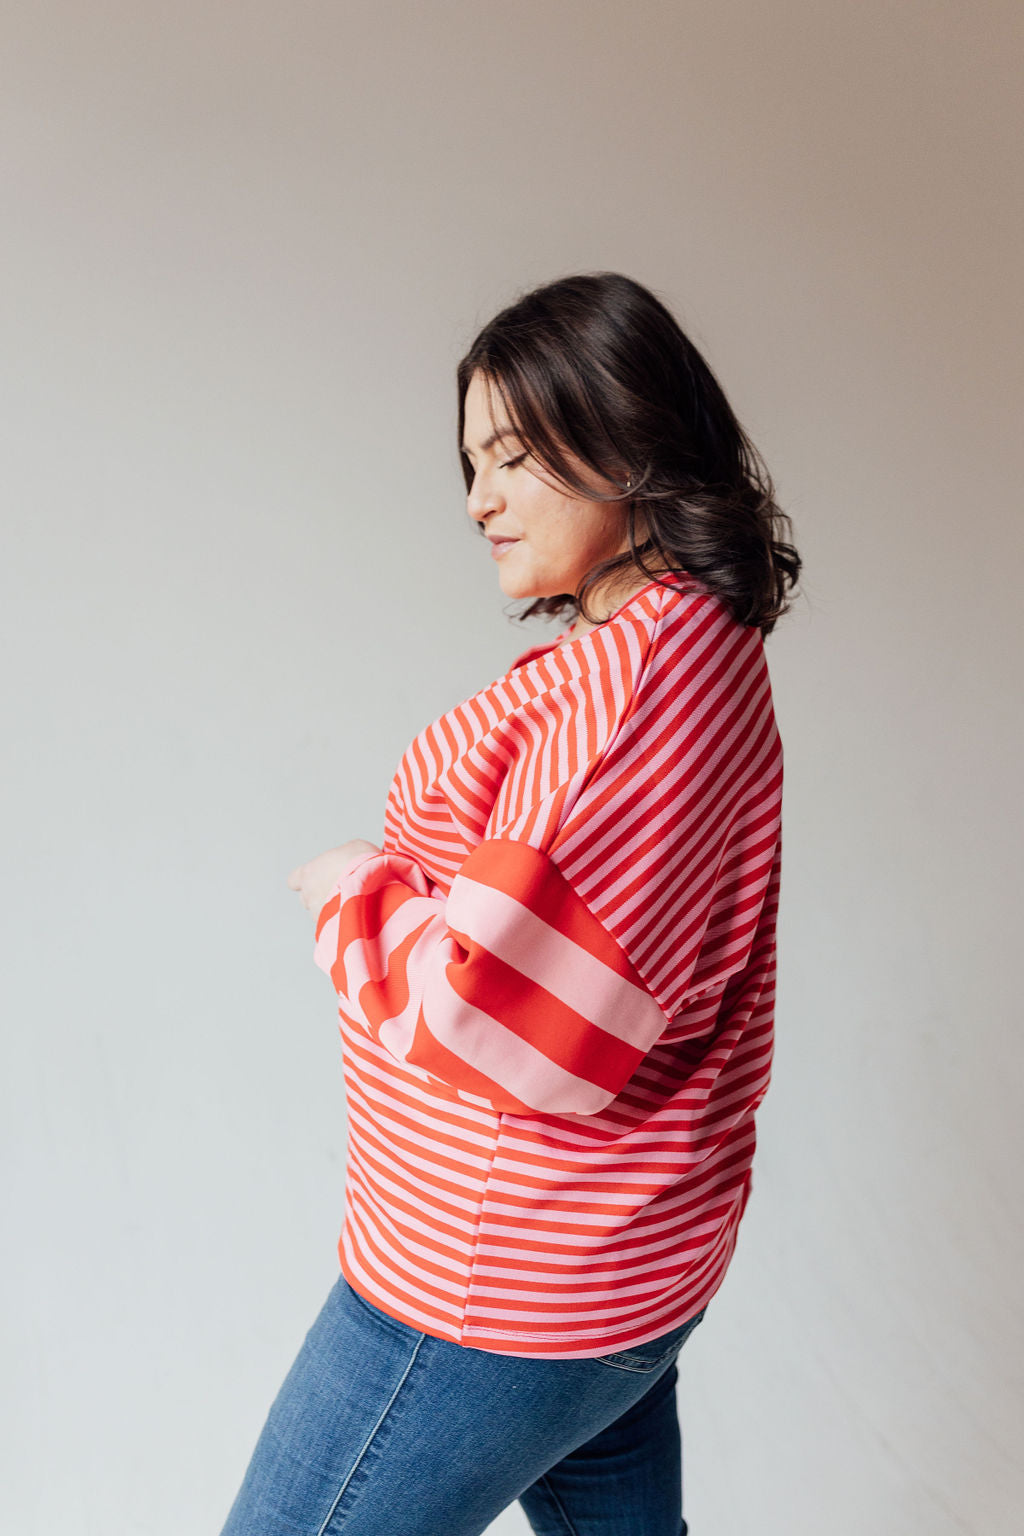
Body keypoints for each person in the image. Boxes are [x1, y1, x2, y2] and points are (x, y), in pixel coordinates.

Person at [218, 271, 802, 1536]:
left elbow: (517, 1022)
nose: (478, 498)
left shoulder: (635, 686)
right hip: (613, 1265)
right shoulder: (689, 644)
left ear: (627, 436)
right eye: (470, 462)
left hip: (491, 1280)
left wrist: (352, 894)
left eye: (514, 455)